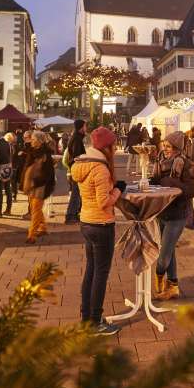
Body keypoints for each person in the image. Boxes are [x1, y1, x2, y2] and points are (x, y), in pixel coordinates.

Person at [71, 126, 123, 335]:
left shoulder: (83, 164)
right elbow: (104, 201)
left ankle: (86, 318)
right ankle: (95, 321)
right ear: (107, 147)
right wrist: (119, 190)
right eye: (114, 144)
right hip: (101, 224)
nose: (116, 147)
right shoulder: (100, 168)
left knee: (91, 271)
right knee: (100, 274)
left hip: (87, 222)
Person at [150, 131, 194, 300]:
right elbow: (157, 182)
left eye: (169, 146)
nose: (165, 148)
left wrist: (171, 183)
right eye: (164, 145)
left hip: (178, 213)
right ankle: (173, 286)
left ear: (177, 148)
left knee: (164, 255)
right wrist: (149, 180)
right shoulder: (159, 160)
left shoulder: (185, 164)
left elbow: (191, 191)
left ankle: (159, 276)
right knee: (169, 251)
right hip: (162, 212)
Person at [23, 131, 56, 243]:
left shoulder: (45, 154)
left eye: (33, 139)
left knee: (35, 210)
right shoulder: (32, 152)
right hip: (32, 184)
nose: (31, 141)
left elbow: (48, 174)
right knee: (34, 208)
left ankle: (31, 235)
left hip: (40, 185)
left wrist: (35, 182)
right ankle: (43, 228)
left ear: (39, 141)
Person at [65, 119, 89, 224]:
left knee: (77, 193)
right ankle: (70, 215)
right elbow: (76, 156)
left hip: (76, 168)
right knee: (75, 193)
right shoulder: (76, 139)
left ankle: (75, 213)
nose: (86, 128)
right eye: (85, 126)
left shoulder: (77, 138)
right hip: (77, 169)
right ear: (80, 127)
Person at [0, 132, 14, 217]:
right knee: (8, 189)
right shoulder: (7, 143)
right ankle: (8, 209)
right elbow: (10, 155)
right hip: (8, 168)